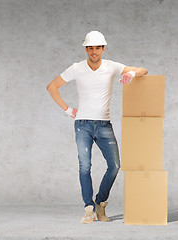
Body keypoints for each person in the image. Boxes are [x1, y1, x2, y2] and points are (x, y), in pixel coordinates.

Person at [46, 31, 148, 224]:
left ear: (103, 49)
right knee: (85, 167)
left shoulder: (112, 66)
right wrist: (67, 109)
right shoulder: (77, 68)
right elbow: (52, 86)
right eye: (90, 48)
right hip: (82, 124)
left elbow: (144, 70)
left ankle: (100, 203)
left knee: (115, 166)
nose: (94, 52)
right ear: (86, 49)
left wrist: (132, 73)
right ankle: (88, 209)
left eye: (97, 48)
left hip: (104, 125)